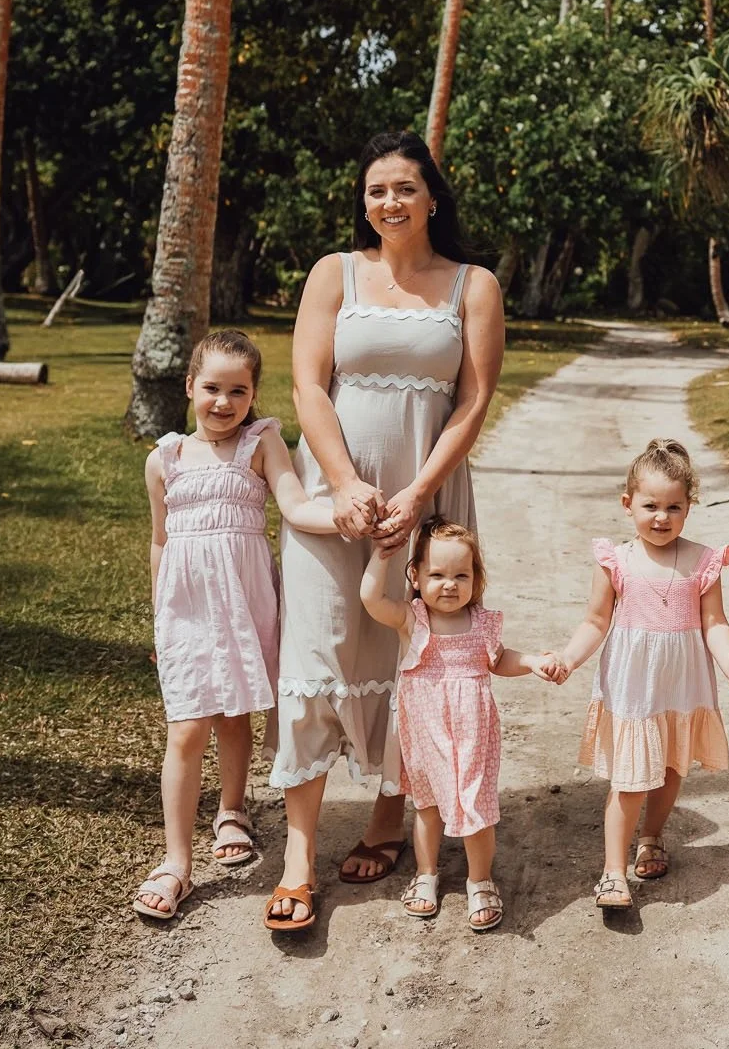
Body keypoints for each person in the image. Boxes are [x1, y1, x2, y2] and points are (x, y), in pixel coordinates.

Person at [266, 132, 504, 933]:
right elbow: (306, 381)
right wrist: (340, 484)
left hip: (427, 497)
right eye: (375, 191)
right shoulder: (333, 273)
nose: (389, 203)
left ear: (432, 197)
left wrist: (419, 494)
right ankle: (298, 856)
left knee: (418, 663)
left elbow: (471, 403)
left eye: (404, 188)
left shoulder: (473, 285)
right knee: (318, 650)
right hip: (337, 493)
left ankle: (387, 818)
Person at [133, 329, 337, 922]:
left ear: (253, 395)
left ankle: (232, 810)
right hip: (186, 609)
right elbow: (158, 541)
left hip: (245, 600)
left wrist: (346, 516)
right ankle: (176, 863)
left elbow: (295, 504)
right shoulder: (165, 458)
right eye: (212, 388)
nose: (224, 402)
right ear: (191, 386)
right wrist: (159, 618)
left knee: (235, 712)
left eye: (238, 391)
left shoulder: (261, 442)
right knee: (187, 728)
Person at [544, 439, 729, 911]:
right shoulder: (616, 560)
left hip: (681, 685)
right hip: (634, 686)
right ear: (628, 505)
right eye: (650, 506)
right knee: (630, 777)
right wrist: (568, 658)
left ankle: (652, 835)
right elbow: (596, 621)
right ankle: (612, 872)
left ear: (688, 508)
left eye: (673, 507)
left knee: (670, 768)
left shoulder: (704, 561)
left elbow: (715, 623)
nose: (661, 517)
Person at [359, 517, 555, 931]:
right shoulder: (412, 619)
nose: (449, 585)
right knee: (427, 806)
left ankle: (480, 880)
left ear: (476, 579)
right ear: (415, 575)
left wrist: (533, 662)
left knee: (476, 804)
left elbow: (498, 660)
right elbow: (371, 598)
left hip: (473, 731)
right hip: (426, 731)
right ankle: (426, 873)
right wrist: (381, 556)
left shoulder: (480, 622)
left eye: (460, 575)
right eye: (437, 574)